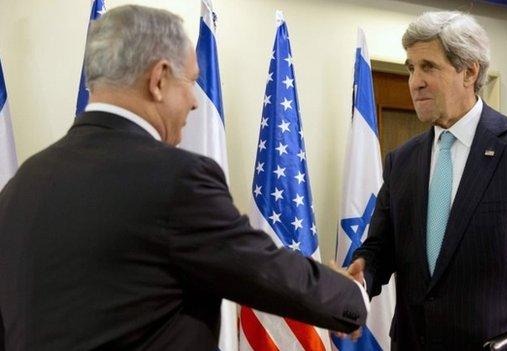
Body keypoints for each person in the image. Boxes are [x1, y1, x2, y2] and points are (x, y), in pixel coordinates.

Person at [0, 5, 368, 350]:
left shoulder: (23, 184)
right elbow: (261, 269)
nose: (194, 101)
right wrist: (349, 296)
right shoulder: (175, 179)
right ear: (158, 79)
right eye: (190, 81)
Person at [349, 11, 507, 351]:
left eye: (429, 67)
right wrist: (361, 277)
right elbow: (381, 248)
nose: (415, 81)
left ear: (469, 71)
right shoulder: (401, 161)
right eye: (411, 67)